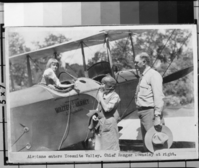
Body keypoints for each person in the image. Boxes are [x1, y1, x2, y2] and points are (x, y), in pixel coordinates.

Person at [134, 52, 165, 152]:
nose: (134, 65)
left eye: (136, 62)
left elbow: (158, 97)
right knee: (147, 143)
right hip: (143, 112)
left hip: (150, 112)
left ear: (144, 62)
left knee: (155, 143)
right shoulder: (143, 76)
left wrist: (157, 116)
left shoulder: (153, 75)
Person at [90, 75, 121, 151]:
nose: (101, 86)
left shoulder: (115, 96)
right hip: (101, 123)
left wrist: (100, 96)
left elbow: (107, 109)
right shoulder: (103, 95)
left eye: (103, 84)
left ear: (109, 85)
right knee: (103, 147)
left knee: (111, 146)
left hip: (109, 123)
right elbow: (99, 107)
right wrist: (96, 114)